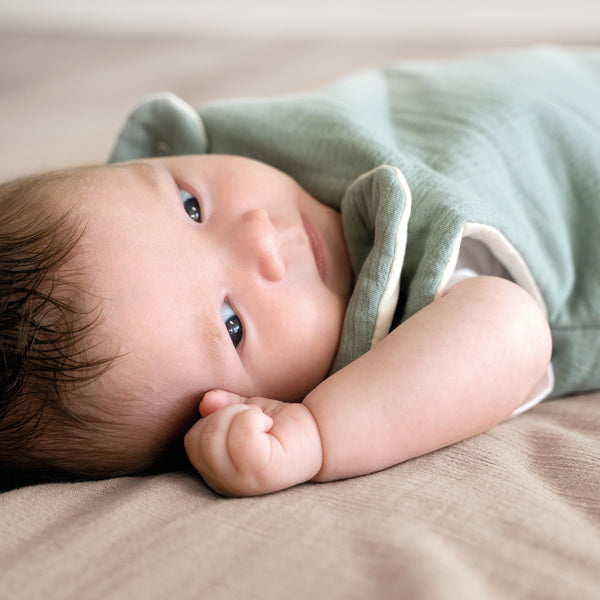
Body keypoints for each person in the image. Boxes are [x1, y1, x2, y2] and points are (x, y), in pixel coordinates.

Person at [1, 46, 598, 496]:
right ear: (242, 407)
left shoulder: (234, 139)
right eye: (232, 323)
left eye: (191, 206)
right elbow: (515, 331)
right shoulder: (410, 314)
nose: (259, 236)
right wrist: (318, 433)